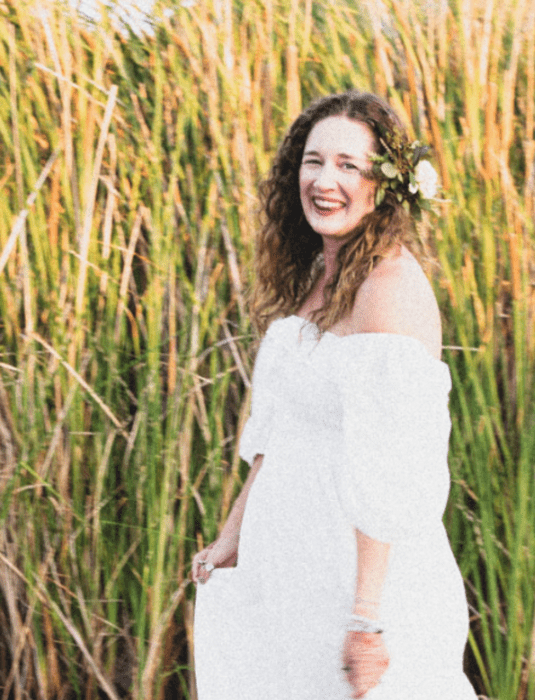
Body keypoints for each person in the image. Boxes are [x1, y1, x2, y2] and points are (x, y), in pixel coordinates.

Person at [191, 90, 479, 700]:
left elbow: (391, 470)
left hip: (351, 573)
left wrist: (367, 617)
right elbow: (282, 433)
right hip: (289, 562)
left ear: (386, 184)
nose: (325, 181)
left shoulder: (389, 290)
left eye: (349, 164)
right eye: (313, 161)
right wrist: (233, 537)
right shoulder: (325, 274)